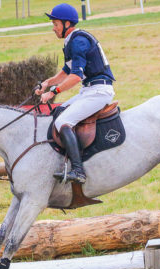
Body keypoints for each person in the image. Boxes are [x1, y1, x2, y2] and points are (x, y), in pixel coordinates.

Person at [36, 3, 115, 184]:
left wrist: (53, 92)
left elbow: (76, 77)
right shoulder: (72, 39)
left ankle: (78, 170)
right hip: (90, 89)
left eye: (55, 24)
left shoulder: (78, 41)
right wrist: (47, 82)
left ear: (66, 24)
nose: (53, 28)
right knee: (59, 112)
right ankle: (65, 160)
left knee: (63, 121)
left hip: (98, 91)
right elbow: (66, 70)